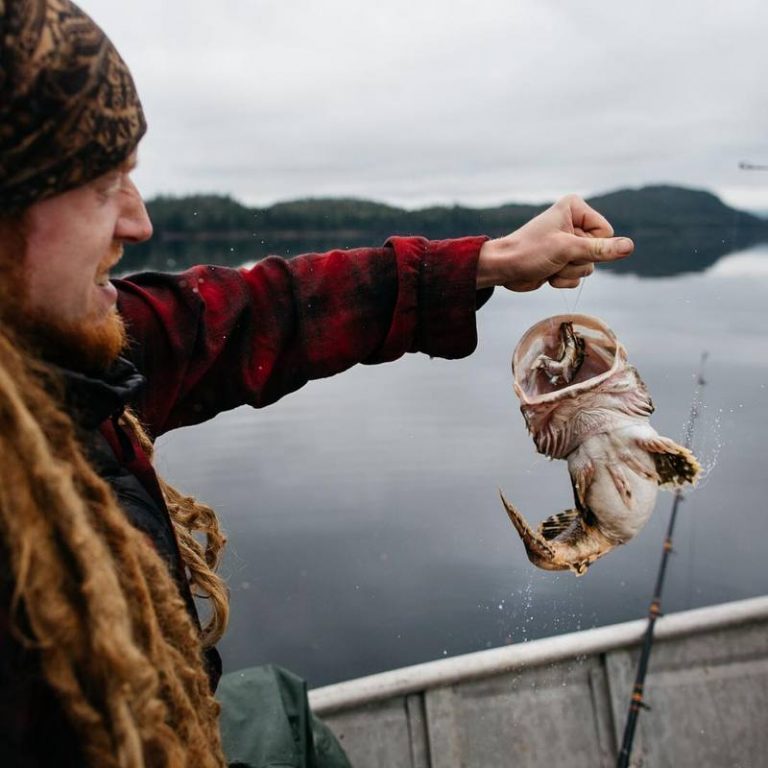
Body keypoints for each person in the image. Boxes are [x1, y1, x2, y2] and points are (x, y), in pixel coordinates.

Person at [0, 0, 634, 766]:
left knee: (279, 705)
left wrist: (488, 262)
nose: (139, 224)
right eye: (104, 185)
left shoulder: (73, 348)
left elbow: (266, 311)